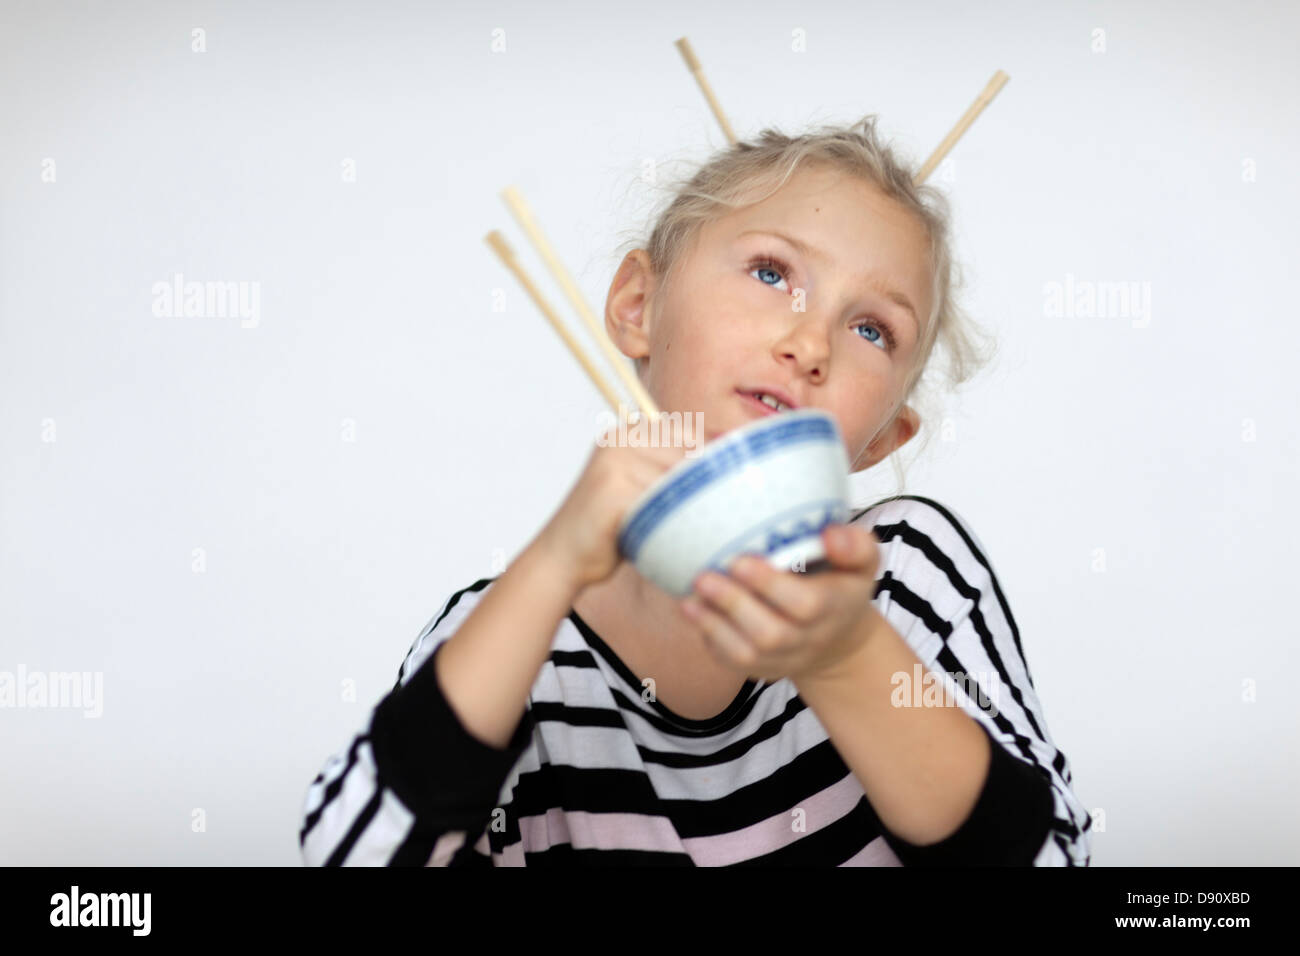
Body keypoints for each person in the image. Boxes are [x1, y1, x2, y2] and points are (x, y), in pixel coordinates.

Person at [298, 115, 1093, 866]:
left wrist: (845, 655)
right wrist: (547, 569)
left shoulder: (909, 576)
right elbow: (352, 851)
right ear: (639, 305)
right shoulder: (513, 639)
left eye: (870, 329)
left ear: (883, 437)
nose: (810, 342)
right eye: (772, 272)